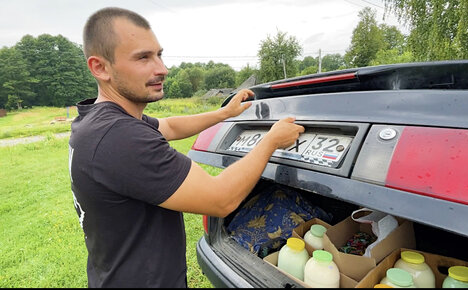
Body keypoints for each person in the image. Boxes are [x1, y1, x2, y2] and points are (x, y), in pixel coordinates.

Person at [69, 7, 305, 288]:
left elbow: (168, 126)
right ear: (100, 67)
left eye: (159, 54)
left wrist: (223, 114)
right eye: (143, 57)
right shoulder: (120, 137)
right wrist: (272, 140)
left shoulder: (99, 122)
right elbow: (221, 199)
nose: (162, 69)